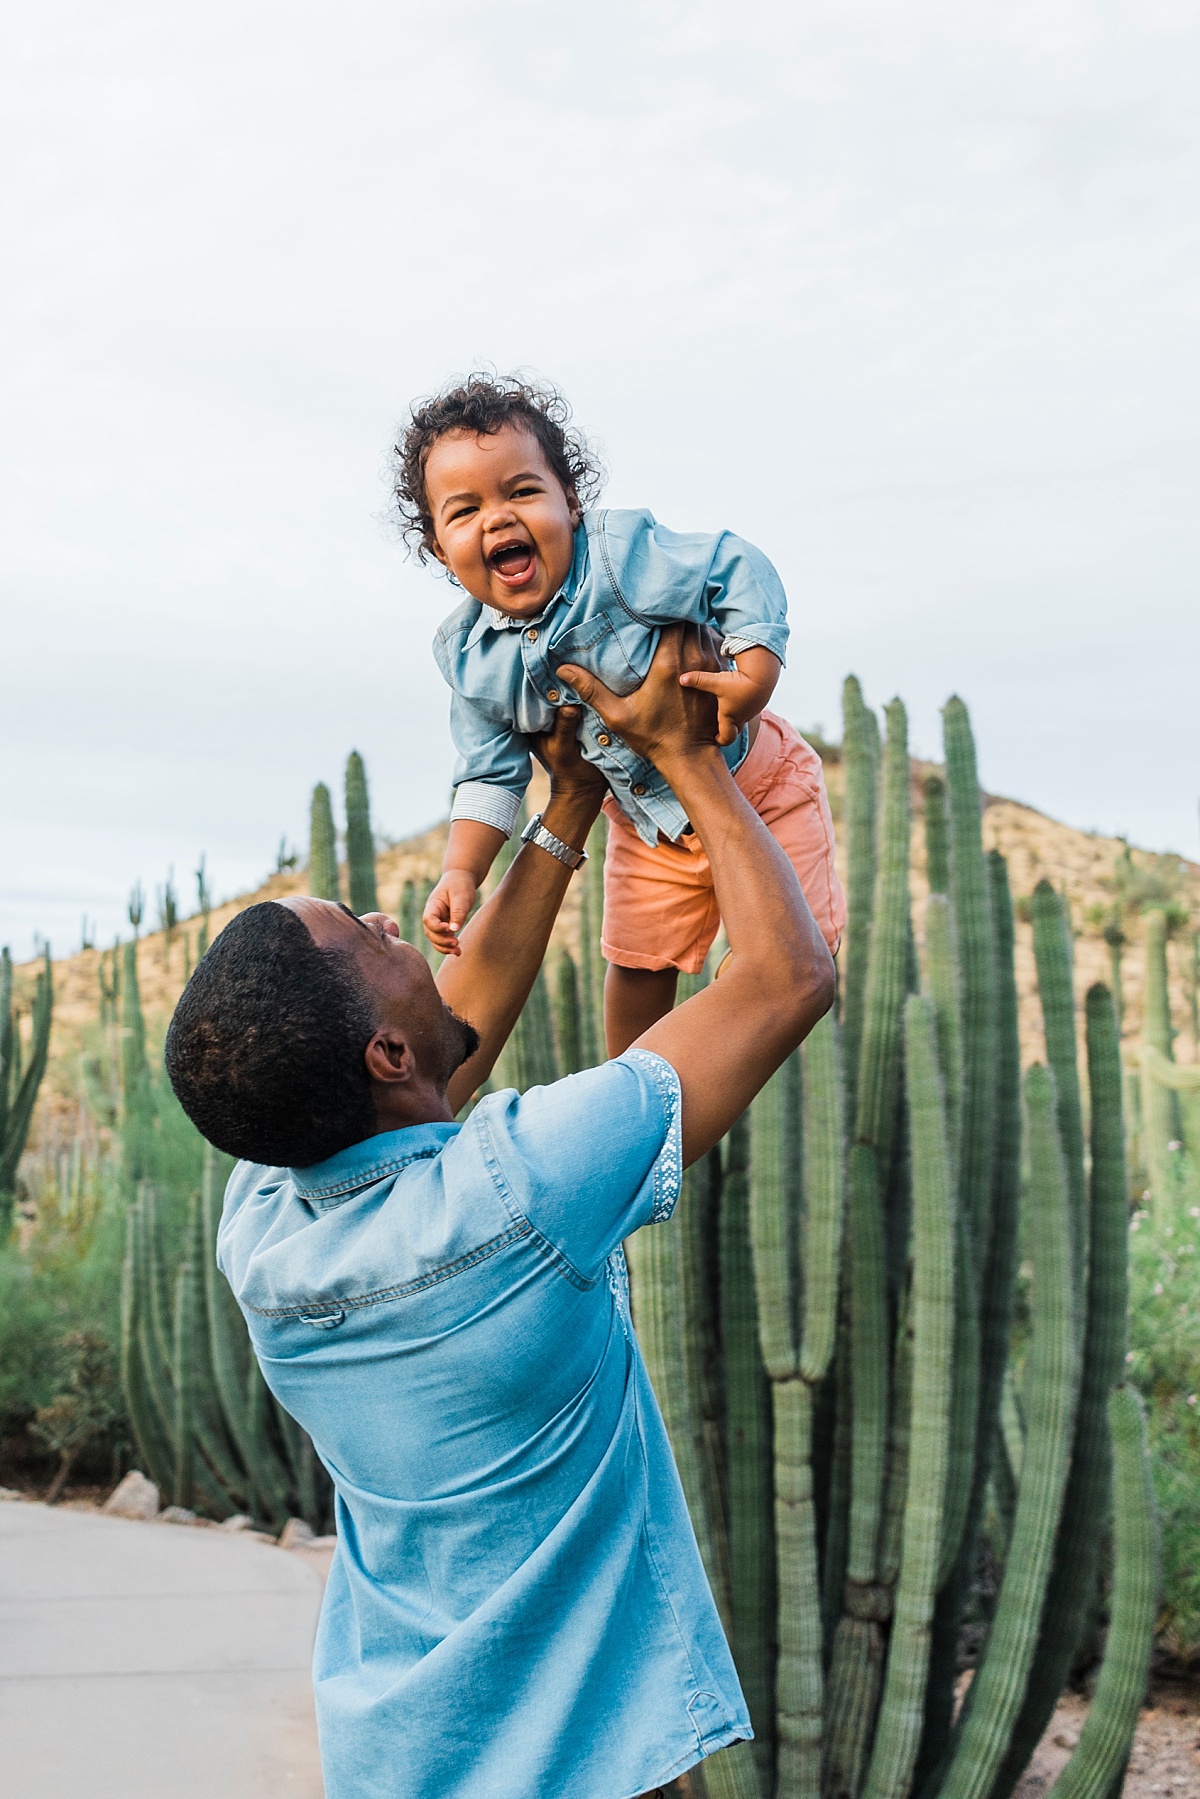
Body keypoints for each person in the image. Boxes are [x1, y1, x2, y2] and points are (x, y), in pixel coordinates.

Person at [164, 626, 835, 1799]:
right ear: (377, 1042)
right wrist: (688, 757)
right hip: (579, 1757)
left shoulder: (263, 1217)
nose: (388, 920)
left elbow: (426, 1062)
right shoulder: (525, 1186)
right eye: (362, 933)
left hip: (399, 1752)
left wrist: (566, 805)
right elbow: (789, 977)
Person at [395, 372, 846, 1056]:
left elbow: (731, 561)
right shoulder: (470, 658)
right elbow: (489, 774)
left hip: (758, 784)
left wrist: (754, 668)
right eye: (463, 511)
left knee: (794, 951)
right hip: (646, 828)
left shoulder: (620, 558)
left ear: (570, 501)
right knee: (635, 963)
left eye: (522, 491)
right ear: (438, 547)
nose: (497, 517)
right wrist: (463, 870)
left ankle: (737, 1017)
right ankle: (628, 1089)